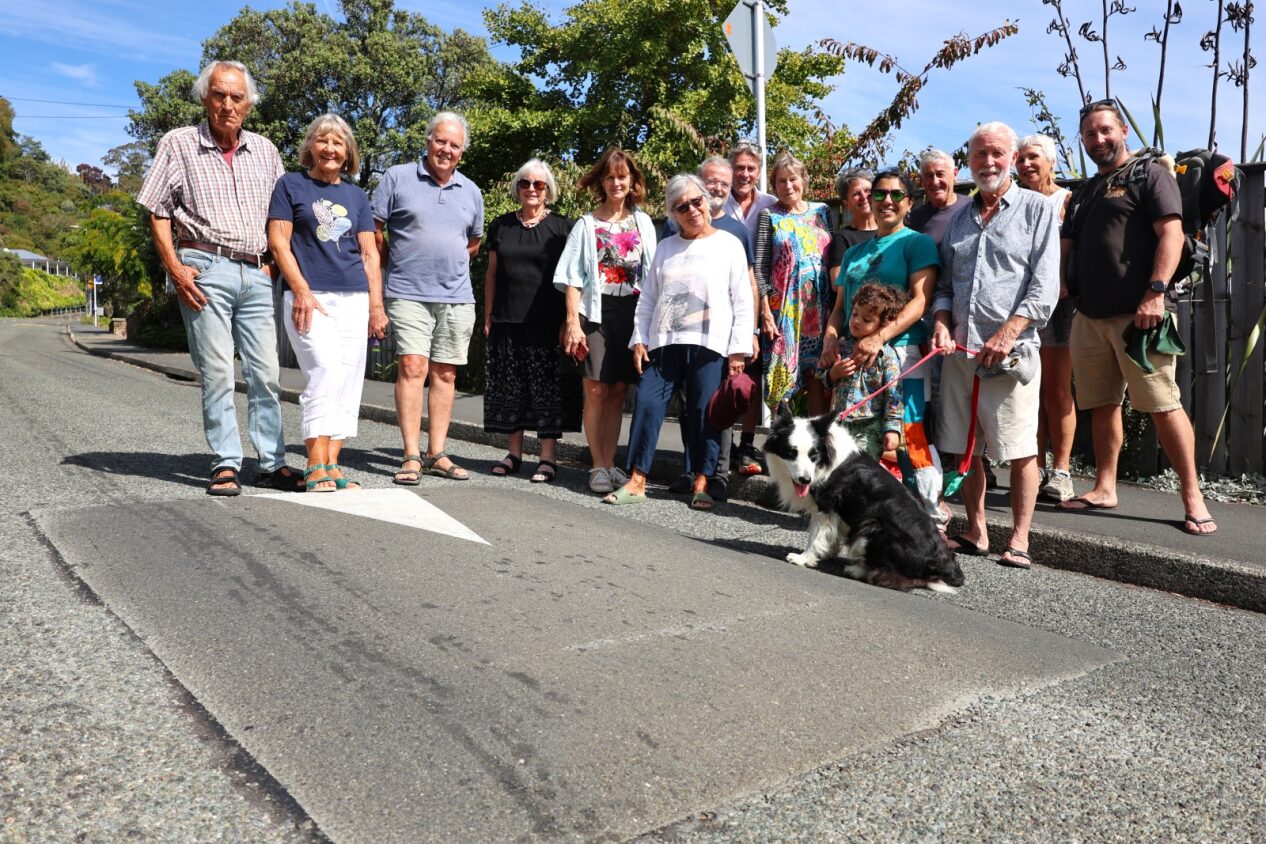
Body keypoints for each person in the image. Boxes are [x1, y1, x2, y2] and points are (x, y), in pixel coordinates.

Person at [137, 60, 302, 496]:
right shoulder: (179, 143)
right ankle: (226, 461)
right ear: (205, 98)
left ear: (248, 104)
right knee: (217, 371)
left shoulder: (266, 150)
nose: (228, 104)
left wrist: (270, 265)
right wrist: (175, 267)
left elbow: (280, 216)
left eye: (237, 97)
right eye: (219, 95)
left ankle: (271, 462)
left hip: (256, 269)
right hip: (205, 267)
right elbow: (157, 209)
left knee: (267, 373)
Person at [1059, 100, 1217, 535]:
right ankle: (1105, 487)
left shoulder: (1150, 174)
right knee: (1101, 404)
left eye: (1105, 130)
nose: (1097, 140)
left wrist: (1156, 292)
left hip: (1141, 314)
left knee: (1163, 404)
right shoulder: (1088, 190)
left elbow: (1171, 231)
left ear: (1123, 130)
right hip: (1089, 314)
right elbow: (1068, 245)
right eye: (1090, 134)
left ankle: (1193, 498)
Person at [931, 121, 1060, 568]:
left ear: (1011, 157)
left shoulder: (1037, 209)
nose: (988, 162)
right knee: (963, 448)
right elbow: (946, 284)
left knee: (1019, 447)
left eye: (996, 154)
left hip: (1012, 353)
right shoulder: (960, 217)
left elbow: (1045, 288)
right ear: (969, 160)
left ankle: (1020, 538)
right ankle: (978, 530)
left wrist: (1006, 335)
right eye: (979, 154)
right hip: (960, 352)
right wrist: (943, 324)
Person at [602, 174, 752, 511]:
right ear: (672, 213)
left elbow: (743, 299)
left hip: (710, 343)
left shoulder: (728, 244)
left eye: (696, 201)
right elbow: (649, 298)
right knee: (648, 404)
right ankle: (637, 479)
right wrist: (639, 339)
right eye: (681, 206)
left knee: (703, 412)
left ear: (706, 201)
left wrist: (738, 349)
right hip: (663, 341)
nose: (692, 210)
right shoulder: (666, 247)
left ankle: (702, 480)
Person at [267, 114, 385, 492]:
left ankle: (333, 464)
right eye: (323, 141)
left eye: (338, 142)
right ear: (311, 147)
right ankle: (314, 464)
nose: (330, 148)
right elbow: (278, 243)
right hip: (308, 297)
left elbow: (369, 254)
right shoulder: (290, 186)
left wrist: (376, 307)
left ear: (348, 152)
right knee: (326, 371)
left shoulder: (356, 195)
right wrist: (301, 289)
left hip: (354, 296)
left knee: (348, 380)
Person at [821, 170, 943, 523]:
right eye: (879, 194)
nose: (886, 201)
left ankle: (932, 518)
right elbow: (840, 307)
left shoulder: (916, 243)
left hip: (902, 354)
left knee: (908, 436)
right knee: (858, 440)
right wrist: (831, 338)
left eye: (895, 194)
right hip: (856, 359)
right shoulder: (855, 252)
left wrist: (879, 337)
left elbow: (920, 301)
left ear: (909, 201)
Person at [372, 111, 484, 484]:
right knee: (412, 368)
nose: (446, 149)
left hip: (456, 296)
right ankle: (410, 454)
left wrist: (445, 260)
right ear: (427, 141)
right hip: (408, 292)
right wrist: (397, 261)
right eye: (440, 141)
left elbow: (473, 243)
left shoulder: (471, 191)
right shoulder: (397, 177)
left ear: (461, 153)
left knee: (446, 372)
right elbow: (373, 232)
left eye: (454, 145)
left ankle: (437, 452)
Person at [555, 148, 658, 494]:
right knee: (595, 388)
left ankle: (611, 462)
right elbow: (572, 278)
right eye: (611, 176)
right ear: (602, 180)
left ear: (632, 182)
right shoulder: (587, 224)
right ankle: (597, 465)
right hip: (596, 314)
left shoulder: (643, 223)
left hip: (633, 313)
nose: (617, 182)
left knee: (617, 392)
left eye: (623, 177)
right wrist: (572, 321)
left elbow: (654, 273)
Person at [665, 156, 759, 500]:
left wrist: (748, 334)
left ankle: (717, 473)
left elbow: (748, 285)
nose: (717, 187)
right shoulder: (675, 224)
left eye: (723, 181)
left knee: (717, 405)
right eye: (711, 182)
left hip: (721, 335)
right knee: (688, 405)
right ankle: (689, 470)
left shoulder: (736, 229)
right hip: (680, 334)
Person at [482, 159, 579, 483]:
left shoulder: (564, 228)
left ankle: (547, 458)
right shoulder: (501, 226)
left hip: (548, 321)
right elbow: (492, 273)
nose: (532, 189)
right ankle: (514, 454)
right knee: (512, 388)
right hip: (507, 319)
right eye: (525, 183)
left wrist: (570, 319)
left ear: (548, 190)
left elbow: (573, 279)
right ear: (517, 188)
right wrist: (488, 316)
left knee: (546, 390)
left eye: (539, 184)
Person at [1017, 133, 1076, 502]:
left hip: (1057, 306)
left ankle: (1062, 470)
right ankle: (1034, 466)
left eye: (1033, 157)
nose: (1025, 164)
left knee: (1056, 388)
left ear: (1051, 162)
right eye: (1020, 158)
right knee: (1029, 391)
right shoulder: (1014, 202)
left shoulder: (1065, 200)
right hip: (1019, 308)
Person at [755, 150, 834, 415]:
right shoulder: (769, 215)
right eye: (780, 181)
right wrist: (765, 312)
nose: (788, 186)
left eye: (793, 179)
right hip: (784, 312)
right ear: (774, 185)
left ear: (803, 180)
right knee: (783, 379)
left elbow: (834, 257)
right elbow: (761, 267)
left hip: (821, 309)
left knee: (817, 376)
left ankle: (815, 445)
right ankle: (784, 443)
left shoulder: (822, 212)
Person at [724, 141, 780, 476]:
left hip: (761, 300)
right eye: (739, 167)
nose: (744, 174)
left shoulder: (770, 205)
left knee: (754, 372)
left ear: (758, 171)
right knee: (725, 373)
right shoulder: (715, 202)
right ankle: (724, 442)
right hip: (723, 299)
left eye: (750, 168)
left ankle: (746, 444)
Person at [821, 283, 906, 460]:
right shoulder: (841, 346)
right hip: (839, 424)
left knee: (861, 470)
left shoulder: (887, 356)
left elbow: (894, 394)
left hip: (870, 428)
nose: (857, 321)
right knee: (835, 468)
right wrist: (832, 374)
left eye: (867, 319)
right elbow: (821, 378)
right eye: (854, 314)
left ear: (883, 324)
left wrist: (892, 428)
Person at [908, 149, 967, 245]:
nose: (935, 182)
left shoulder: (973, 208)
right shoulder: (914, 221)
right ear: (922, 181)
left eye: (940, 174)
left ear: (955, 173)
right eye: (929, 176)